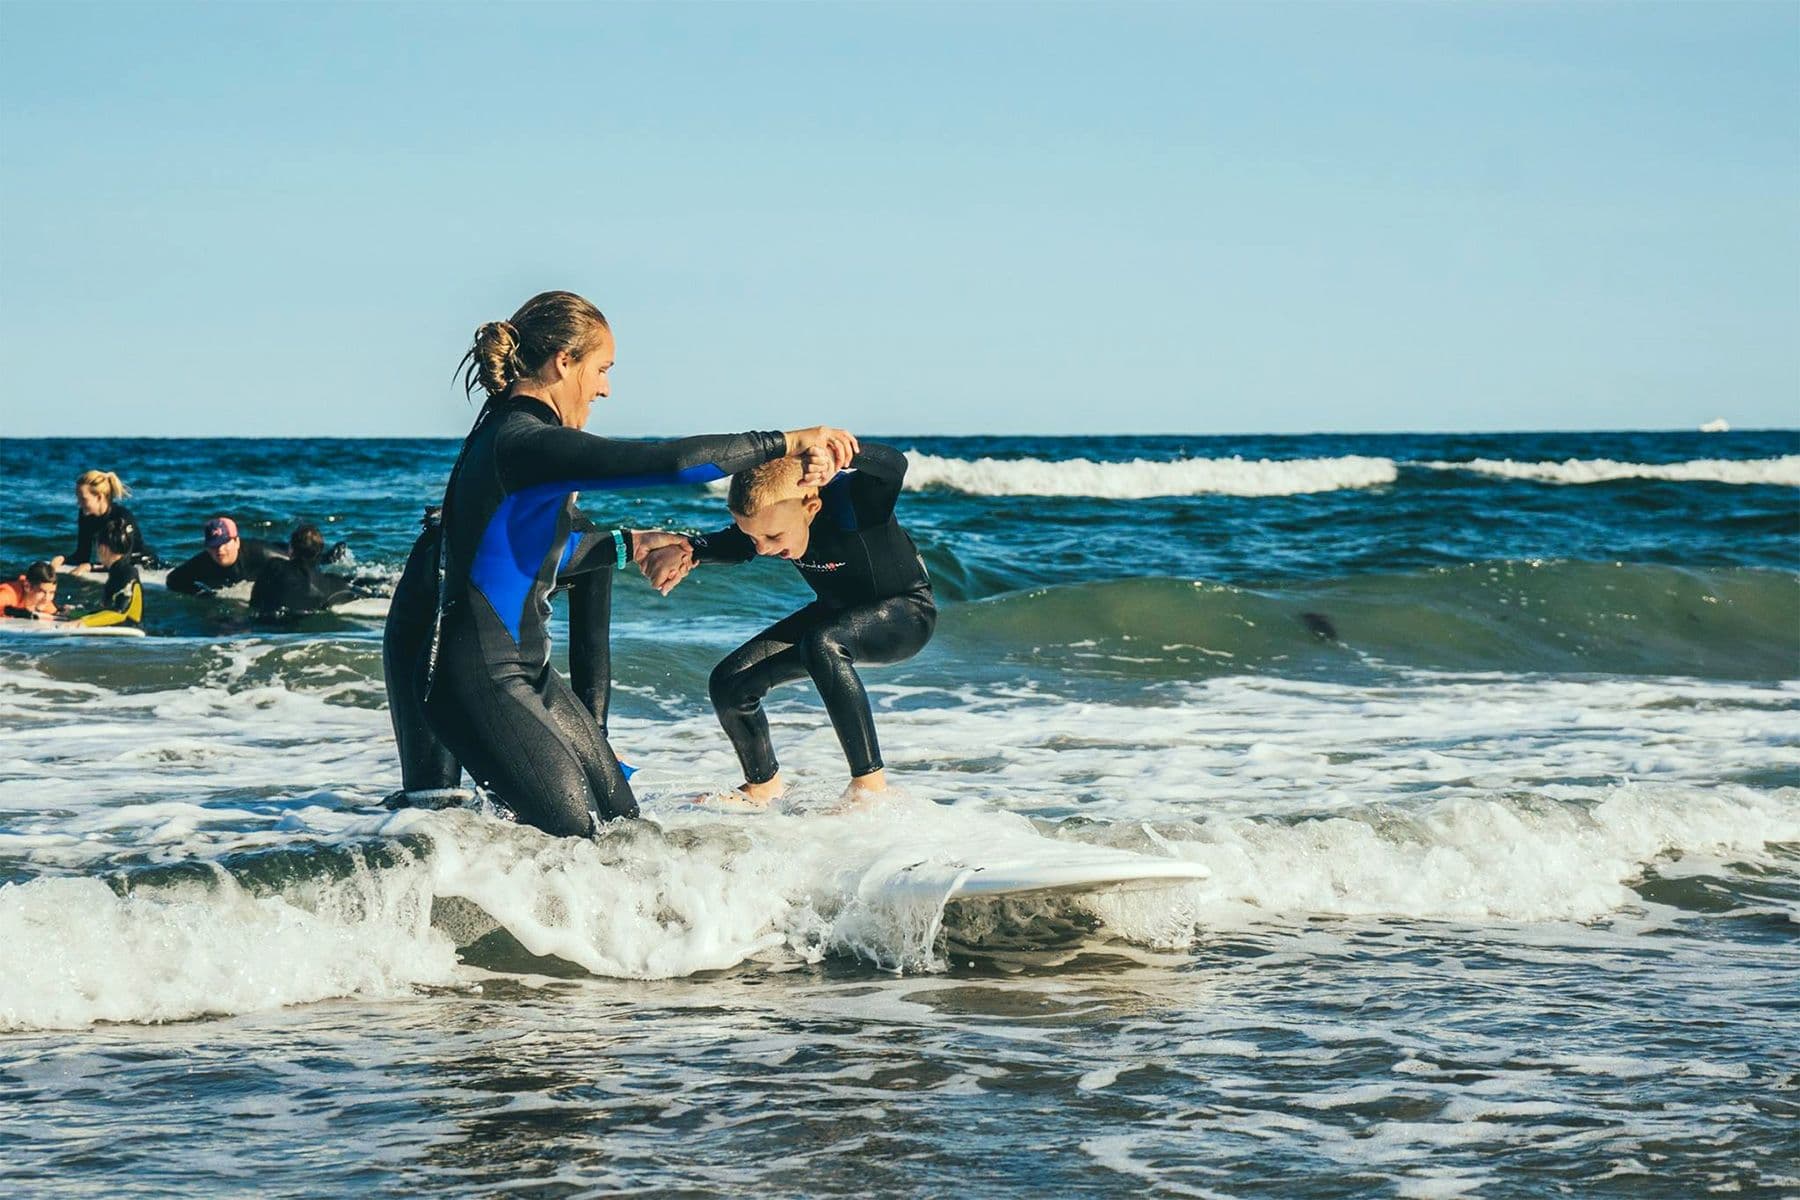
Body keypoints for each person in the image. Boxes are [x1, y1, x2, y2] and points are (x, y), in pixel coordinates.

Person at [398, 288, 855, 838]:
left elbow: (530, 555)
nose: (605, 387)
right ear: (563, 362)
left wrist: (631, 543)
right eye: (601, 368)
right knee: (583, 844)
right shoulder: (524, 441)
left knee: (624, 828)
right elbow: (671, 462)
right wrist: (788, 440)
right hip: (482, 682)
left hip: (527, 674)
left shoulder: (518, 442)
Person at [641, 442, 934, 802]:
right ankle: (762, 788)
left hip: (905, 613)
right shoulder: (771, 523)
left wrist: (843, 453)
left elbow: (894, 465)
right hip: (836, 615)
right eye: (754, 537)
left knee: (822, 642)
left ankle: (870, 787)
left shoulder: (854, 503)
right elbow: (735, 544)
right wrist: (690, 550)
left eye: (773, 537)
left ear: (811, 507)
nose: (763, 548)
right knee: (730, 683)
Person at [249, 524, 356, 618]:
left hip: (269, 625)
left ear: (291, 549)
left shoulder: (274, 566)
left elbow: (254, 601)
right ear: (320, 553)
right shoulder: (332, 583)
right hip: (303, 633)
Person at [166, 517, 290, 596]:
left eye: (224, 543)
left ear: (236, 542)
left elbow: (298, 565)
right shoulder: (203, 562)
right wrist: (200, 594)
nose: (219, 550)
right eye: (213, 545)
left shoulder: (261, 553)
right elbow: (172, 580)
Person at [69, 470, 155, 572]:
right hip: (114, 565)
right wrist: (62, 559)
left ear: (99, 497)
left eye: (83, 499)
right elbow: (82, 555)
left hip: (144, 565)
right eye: (77, 498)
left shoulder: (122, 517)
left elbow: (123, 560)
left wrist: (91, 566)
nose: (78, 503)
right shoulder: (85, 516)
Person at [68, 514, 144, 628]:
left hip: (130, 637)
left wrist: (82, 622)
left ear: (103, 548)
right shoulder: (119, 571)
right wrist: (74, 614)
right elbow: (107, 611)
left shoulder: (127, 573)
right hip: (122, 631)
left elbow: (119, 613)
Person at [0, 557, 65, 621]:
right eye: (42, 591)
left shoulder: (44, 602)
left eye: (52, 592)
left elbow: (57, 614)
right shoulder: (8, 595)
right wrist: (19, 613)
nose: (47, 598)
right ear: (27, 586)